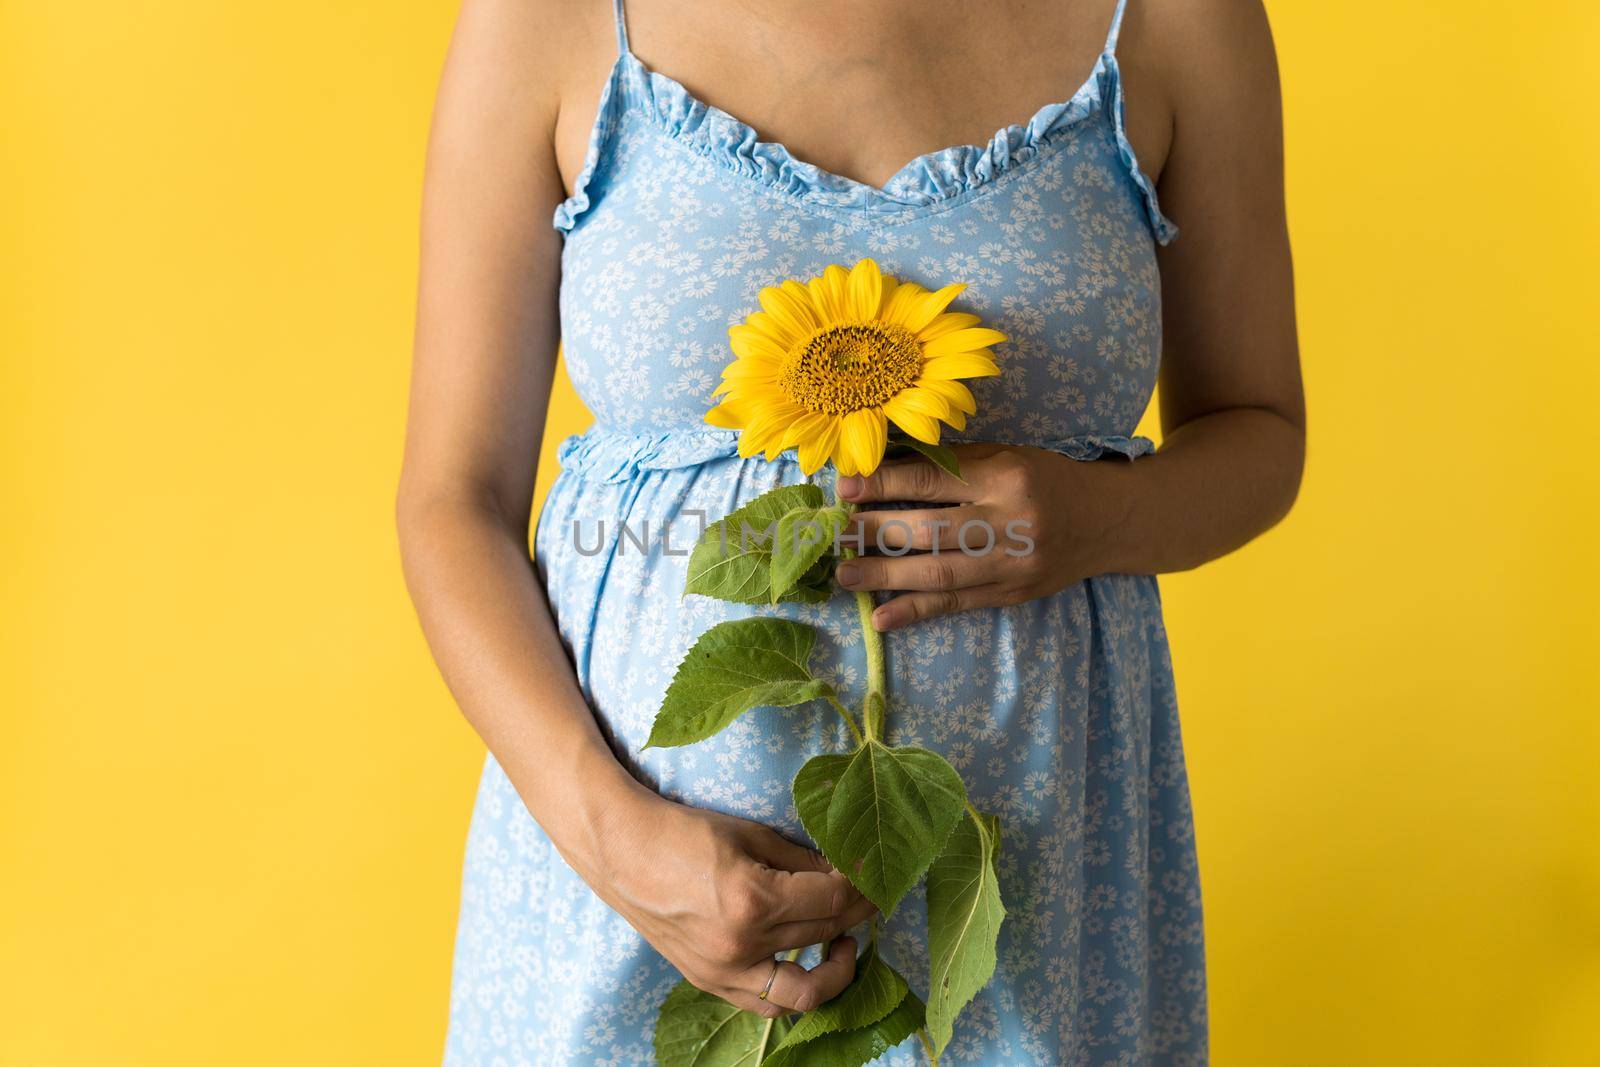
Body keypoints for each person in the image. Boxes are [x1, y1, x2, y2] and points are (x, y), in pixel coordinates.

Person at [398, 0, 1302, 1061]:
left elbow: (1259, 433)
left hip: (1033, 904)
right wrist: (621, 847)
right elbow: (450, 499)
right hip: (637, 899)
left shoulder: (1177, 19)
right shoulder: (546, 19)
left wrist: (1101, 518)